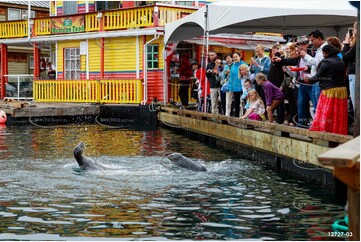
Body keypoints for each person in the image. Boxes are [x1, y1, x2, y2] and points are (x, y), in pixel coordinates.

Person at [302, 45, 347, 135]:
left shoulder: (326, 62)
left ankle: (324, 132)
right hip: (342, 90)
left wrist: (308, 79)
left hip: (329, 90)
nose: (322, 55)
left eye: (323, 53)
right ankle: (337, 131)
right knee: (337, 114)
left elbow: (318, 77)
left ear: (327, 53)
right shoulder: (340, 60)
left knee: (326, 113)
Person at [299, 29, 327, 109]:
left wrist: (306, 56)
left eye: (312, 40)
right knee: (316, 106)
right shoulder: (319, 49)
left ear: (319, 38)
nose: (311, 43)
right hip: (316, 80)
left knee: (319, 106)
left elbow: (319, 63)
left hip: (319, 81)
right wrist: (303, 57)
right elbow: (313, 64)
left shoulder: (324, 48)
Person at [342, 21, 357, 111]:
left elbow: (345, 57)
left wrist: (346, 43)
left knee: (356, 105)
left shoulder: (358, 44)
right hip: (353, 75)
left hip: (355, 76)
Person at [228, 52, 247, 117]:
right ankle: (236, 116)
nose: (235, 58)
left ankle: (246, 116)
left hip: (244, 86)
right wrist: (230, 88)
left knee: (246, 102)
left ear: (240, 57)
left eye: (236, 56)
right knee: (236, 102)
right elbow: (231, 78)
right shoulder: (232, 66)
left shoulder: (244, 64)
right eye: (234, 57)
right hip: (235, 87)